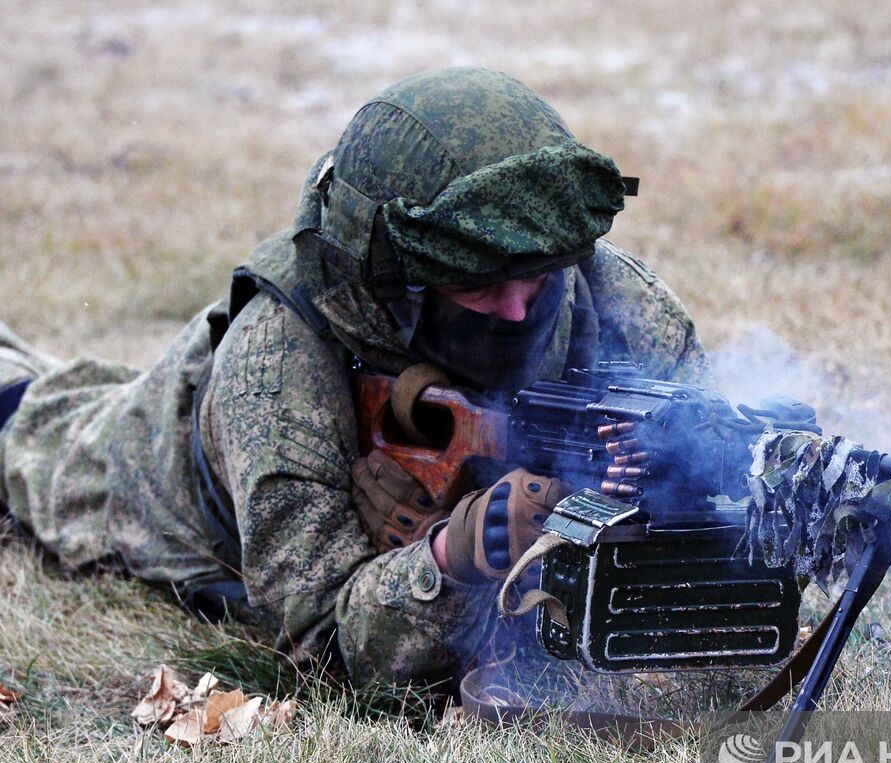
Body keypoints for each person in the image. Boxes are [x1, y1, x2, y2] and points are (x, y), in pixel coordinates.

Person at [0, 67, 706, 698]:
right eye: (478, 285)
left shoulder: (623, 307)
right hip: (158, 473)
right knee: (33, 431)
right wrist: (454, 554)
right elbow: (322, 642)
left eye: (538, 272)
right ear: (398, 284)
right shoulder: (278, 365)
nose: (520, 306)